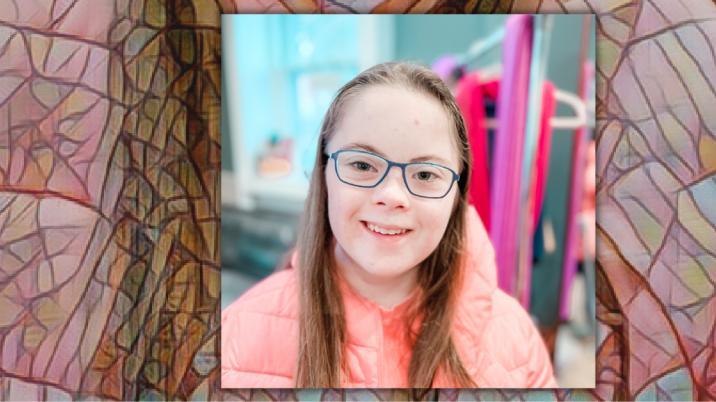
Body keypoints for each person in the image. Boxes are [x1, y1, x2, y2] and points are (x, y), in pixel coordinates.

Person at [221, 61, 557, 388]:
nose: (392, 196)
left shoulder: (518, 339)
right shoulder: (235, 335)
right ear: (324, 174)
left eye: (426, 174)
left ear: (457, 195)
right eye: (363, 165)